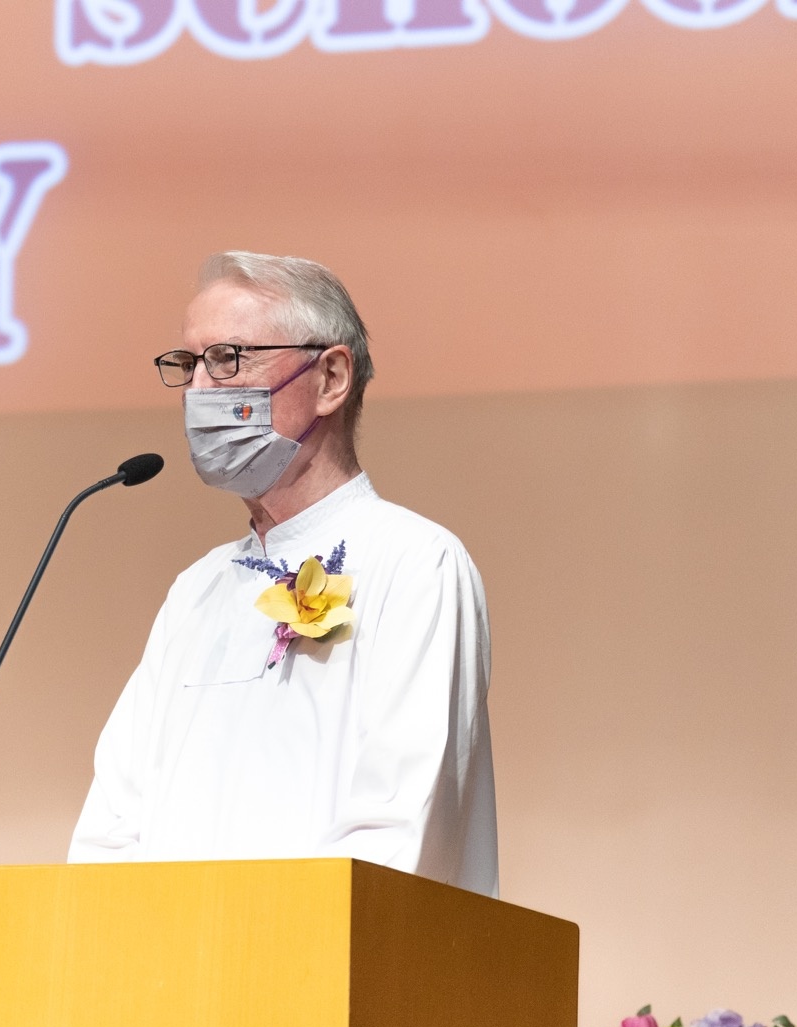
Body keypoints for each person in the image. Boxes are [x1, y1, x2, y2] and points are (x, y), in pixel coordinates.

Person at [68, 251, 498, 894]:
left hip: (321, 949)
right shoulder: (198, 589)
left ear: (330, 378)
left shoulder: (414, 562)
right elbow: (113, 823)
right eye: (188, 364)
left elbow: (397, 826)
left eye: (228, 359)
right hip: (172, 951)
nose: (198, 390)